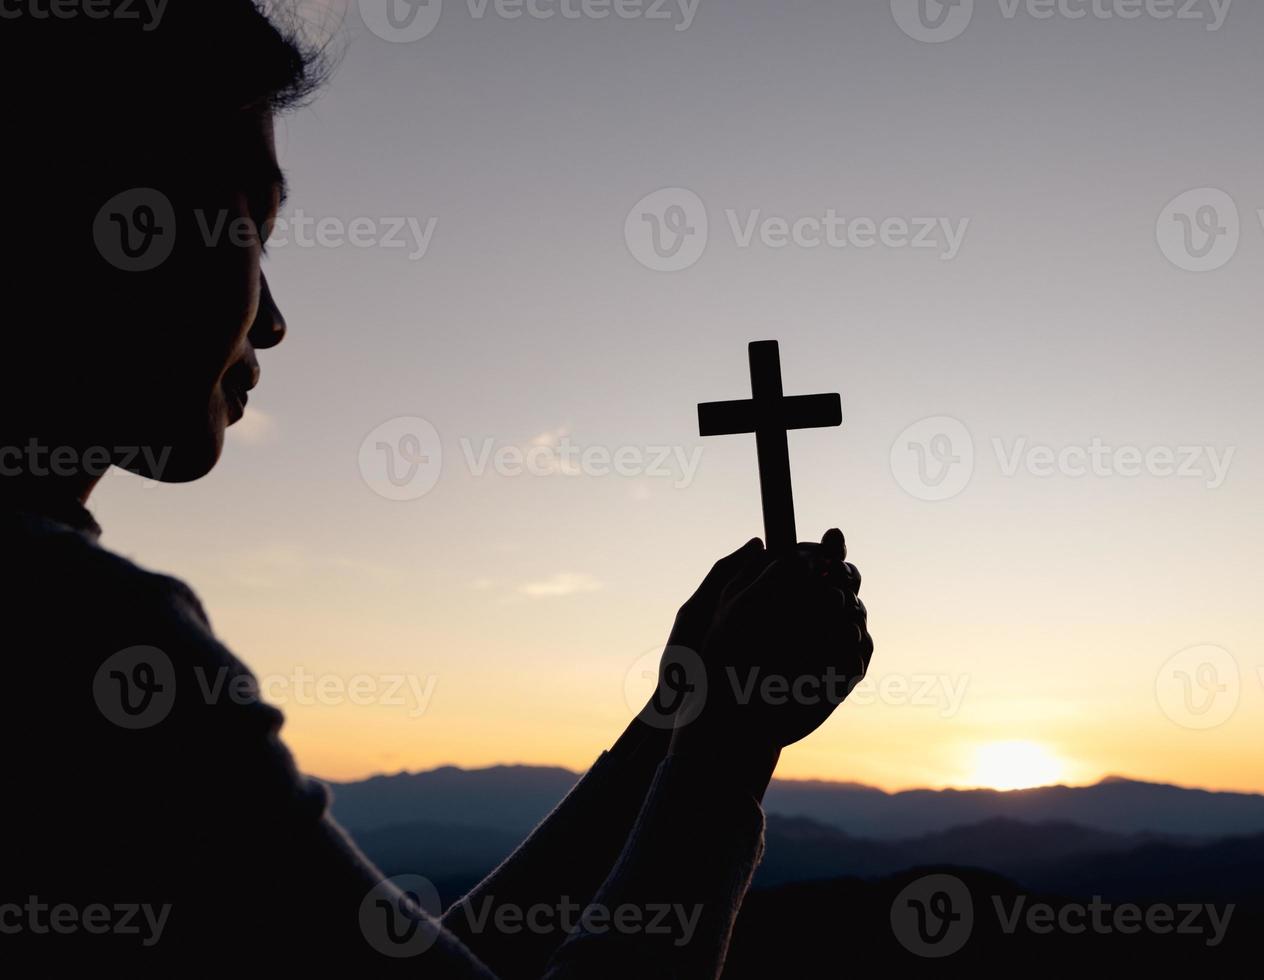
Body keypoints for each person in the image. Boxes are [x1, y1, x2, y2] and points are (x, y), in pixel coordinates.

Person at [0, 3, 874, 976]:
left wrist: (673, 719)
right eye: (251, 220)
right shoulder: (80, 639)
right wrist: (726, 753)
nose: (275, 319)